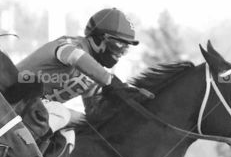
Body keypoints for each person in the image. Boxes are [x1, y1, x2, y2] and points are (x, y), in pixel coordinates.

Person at [15, 7, 151, 131]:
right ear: (98, 39)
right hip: (6, 97)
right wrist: (111, 81)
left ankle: (35, 155)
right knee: (61, 113)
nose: (121, 52)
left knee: (82, 125)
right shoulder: (72, 44)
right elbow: (75, 57)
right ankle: (20, 147)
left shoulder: (95, 74)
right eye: (119, 44)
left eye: (126, 48)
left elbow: (94, 115)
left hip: (30, 108)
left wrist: (125, 109)